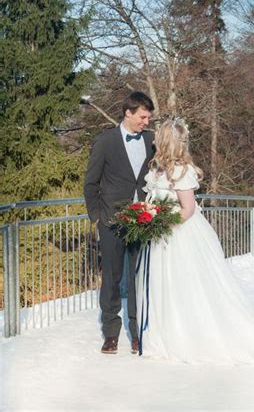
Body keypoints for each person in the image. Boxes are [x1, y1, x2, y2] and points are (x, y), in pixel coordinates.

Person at [136, 117, 254, 364]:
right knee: (164, 285)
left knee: (188, 284)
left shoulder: (182, 171)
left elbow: (187, 209)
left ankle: (191, 336)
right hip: (159, 237)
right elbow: (153, 200)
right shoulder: (156, 169)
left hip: (180, 234)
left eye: (158, 139)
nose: (154, 142)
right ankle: (163, 335)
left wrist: (161, 221)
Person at [84, 91, 155, 355]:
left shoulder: (152, 140)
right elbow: (91, 182)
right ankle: (111, 333)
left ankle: (137, 333)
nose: (146, 122)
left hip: (144, 219)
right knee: (112, 278)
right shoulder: (105, 140)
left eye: (148, 117)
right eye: (143, 117)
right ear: (128, 112)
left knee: (138, 278)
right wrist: (97, 216)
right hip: (111, 221)